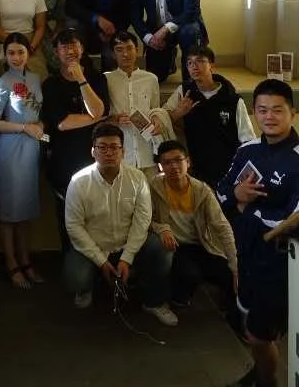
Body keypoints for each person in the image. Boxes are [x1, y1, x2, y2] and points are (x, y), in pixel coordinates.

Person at [217, 79, 299, 387]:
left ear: (293, 112)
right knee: (247, 323)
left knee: (260, 333)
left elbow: (297, 221)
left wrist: (245, 212)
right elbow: (220, 192)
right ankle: (261, 369)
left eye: (278, 110)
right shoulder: (247, 150)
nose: (269, 117)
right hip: (246, 254)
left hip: (281, 262)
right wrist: (236, 197)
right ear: (254, 113)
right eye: (262, 110)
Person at [64, 122, 172, 318]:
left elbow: (142, 221)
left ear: (123, 151)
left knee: (161, 248)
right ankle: (87, 286)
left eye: (114, 147)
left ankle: (153, 301)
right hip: (94, 247)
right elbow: (74, 227)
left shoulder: (137, 178)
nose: (109, 153)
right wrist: (101, 261)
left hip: (128, 244)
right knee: (76, 279)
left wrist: (127, 257)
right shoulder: (78, 182)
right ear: (93, 151)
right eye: (102, 147)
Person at [147, 141, 237, 317]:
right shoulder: (153, 187)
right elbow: (144, 219)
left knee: (228, 274)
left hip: (201, 243)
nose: (173, 166)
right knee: (190, 273)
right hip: (173, 245)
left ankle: (234, 315)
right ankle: (177, 299)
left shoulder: (202, 191)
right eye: (166, 162)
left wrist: (235, 263)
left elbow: (222, 227)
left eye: (178, 160)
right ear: (160, 166)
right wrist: (162, 228)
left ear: (188, 162)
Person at [41, 27, 108, 248]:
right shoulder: (50, 85)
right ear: (56, 52)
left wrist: (81, 79)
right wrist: (94, 117)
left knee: (98, 219)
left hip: (95, 161)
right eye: (64, 46)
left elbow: (99, 109)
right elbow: (61, 123)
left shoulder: (97, 79)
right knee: (68, 220)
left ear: (82, 48)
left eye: (74, 44)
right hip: (63, 162)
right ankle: (72, 267)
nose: (70, 50)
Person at [0, 33, 44, 289]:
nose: (16, 57)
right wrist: (23, 128)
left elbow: (37, 111)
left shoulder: (34, 78)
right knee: (9, 212)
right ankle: (12, 263)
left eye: (20, 52)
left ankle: (26, 260)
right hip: (10, 151)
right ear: (5, 55)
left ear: (28, 53)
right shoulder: (2, 83)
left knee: (26, 210)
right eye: (11, 53)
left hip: (32, 147)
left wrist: (39, 125)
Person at [164, 45, 256, 188]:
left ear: (212, 64)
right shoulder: (184, 91)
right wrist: (178, 113)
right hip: (195, 171)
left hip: (227, 172)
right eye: (189, 63)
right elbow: (162, 119)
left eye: (200, 61)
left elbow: (248, 140)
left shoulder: (232, 99)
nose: (194, 66)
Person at [105, 30, 174, 168]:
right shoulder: (106, 79)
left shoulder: (151, 79)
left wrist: (157, 120)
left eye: (129, 48)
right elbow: (101, 116)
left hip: (147, 152)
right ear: (113, 54)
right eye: (119, 50)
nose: (125, 54)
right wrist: (115, 119)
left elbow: (155, 109)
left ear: (137, 50)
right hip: (120, 155)